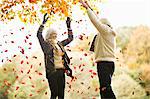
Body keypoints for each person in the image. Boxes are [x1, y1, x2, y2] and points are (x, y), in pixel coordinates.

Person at [80, 0, 116, 99]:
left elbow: (95, 21)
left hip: (105, 63)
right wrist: (88, 6)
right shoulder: (105, 34)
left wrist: (86, 8)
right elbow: (97, 18)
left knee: (105, 89)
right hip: (105, 63)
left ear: (104, 25)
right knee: (103, 90)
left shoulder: (106, 31)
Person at [37, 13, 73, 99]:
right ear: (49, 35)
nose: (55, 35)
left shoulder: (59, 44)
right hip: (52, 72)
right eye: (52, 34)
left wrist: (68, 26)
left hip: (61, 71)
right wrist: (43, 23)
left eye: (55, 33)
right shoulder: (46, 45)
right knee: (54, 93)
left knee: (61, 95)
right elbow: (39, 35)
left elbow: (70, 39)